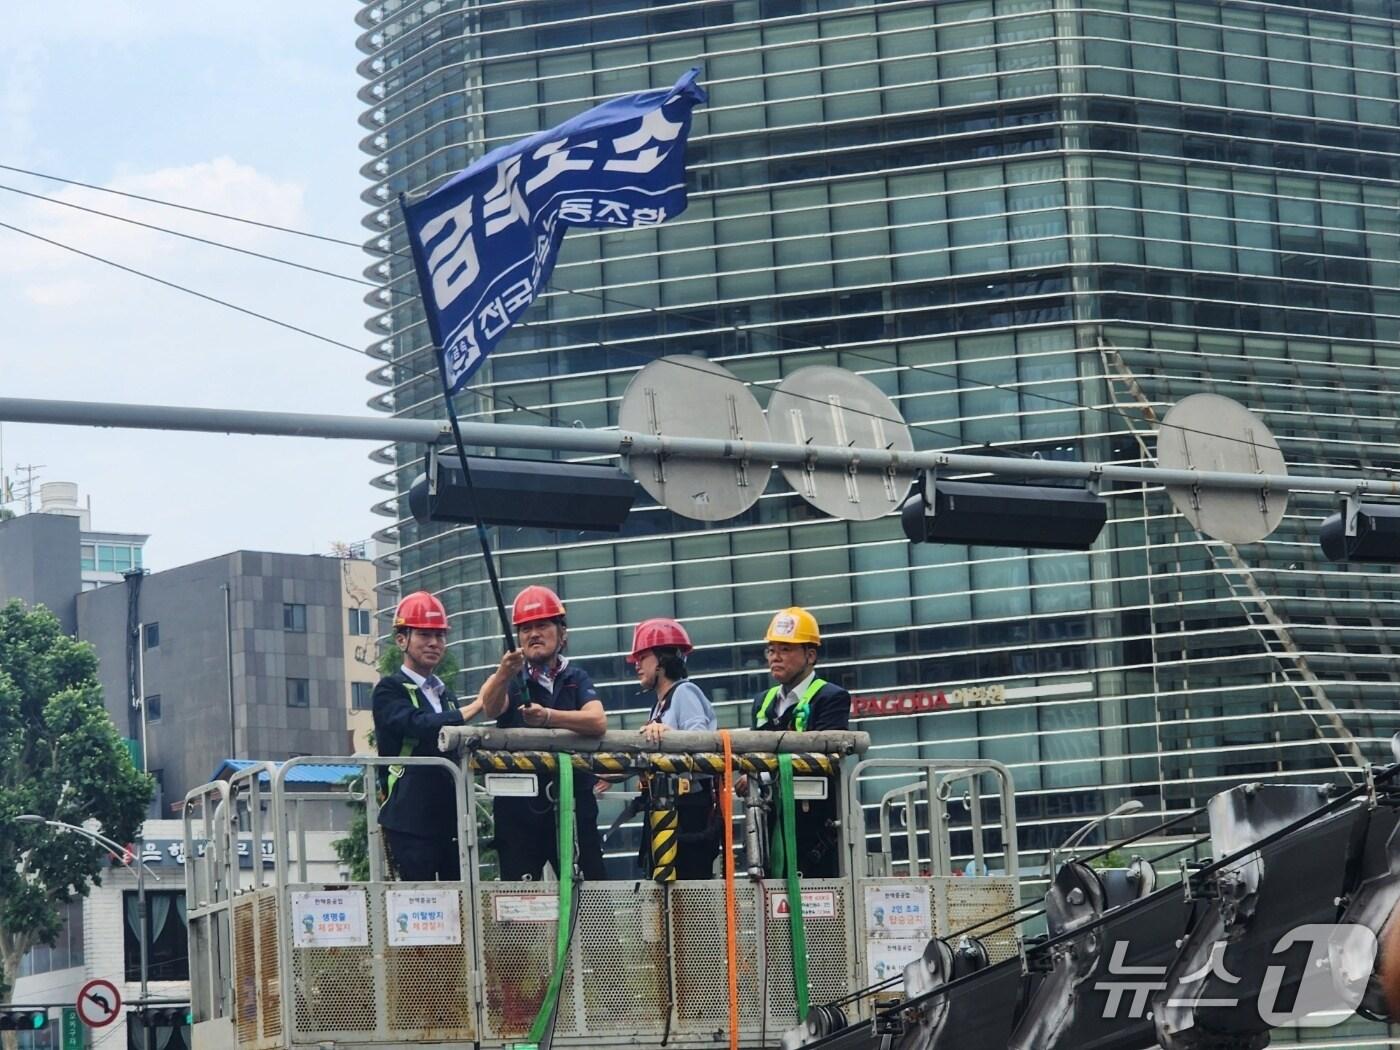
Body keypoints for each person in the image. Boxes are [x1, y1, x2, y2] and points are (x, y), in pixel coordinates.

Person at [373, 590, 522, 880]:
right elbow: (420, 724)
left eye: (440, 636)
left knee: (458, 904)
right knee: (419, 903)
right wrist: (478, 706)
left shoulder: (446, 696)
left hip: (450, 819)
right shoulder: (390, 690)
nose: (434, 643)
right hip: (409, 819)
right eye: (425, 635)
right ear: (401, 639)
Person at [480, 584, 607, 881]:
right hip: (519, 809)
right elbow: (491, 707)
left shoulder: (575, 677)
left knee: (591, 892)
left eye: (542, 625)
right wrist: (503, 673)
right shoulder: (510, 679)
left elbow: (597, 721)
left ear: (562, 633)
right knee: (521, 904)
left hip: (573, 802)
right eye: (525, 629)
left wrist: (548, 717)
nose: (533, 634)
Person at [749, 605, 851, 878]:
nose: (775, 657)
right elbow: (752, 752)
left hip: (814, 821)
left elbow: (826, 761)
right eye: (771, 650)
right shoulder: (764, 702)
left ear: (810, 655)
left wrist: (764, 767)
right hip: (770, 816)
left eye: (785, 649)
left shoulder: (831, 698)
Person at [628, 617, 719, 879]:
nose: (637, 664)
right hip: (667, 806)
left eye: (642, 656)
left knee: (687, 889)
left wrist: (669, 735)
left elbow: (701, 739)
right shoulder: (660, 705)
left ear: (663, 660)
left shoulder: (684, 693)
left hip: (688, 810)